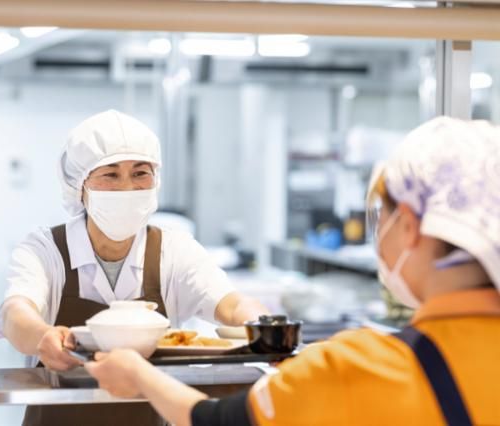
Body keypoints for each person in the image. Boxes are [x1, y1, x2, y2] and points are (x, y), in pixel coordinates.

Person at [86, 116, 500, 426]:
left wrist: (138, 375)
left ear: (409, 227)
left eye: (385, 215)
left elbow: (214, 420)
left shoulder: (356, 368)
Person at [0, 109, 270, 426]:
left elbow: (231, 304)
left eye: (140, 173)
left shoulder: (174, 250)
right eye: (110, 174)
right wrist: (43, 337)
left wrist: (266, 327)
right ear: (79, 185)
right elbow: (16, 313)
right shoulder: (46, 249)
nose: (127, 188)